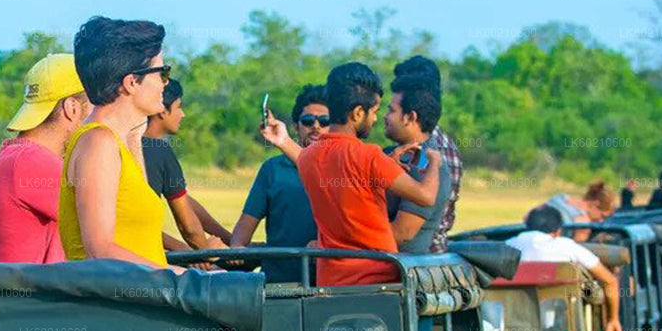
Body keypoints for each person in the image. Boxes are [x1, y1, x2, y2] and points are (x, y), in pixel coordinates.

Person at [261, 61, 441, 285]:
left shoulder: (309, 158)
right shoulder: (369, 156)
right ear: (357, 113)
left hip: (330, 281)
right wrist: (434, 161)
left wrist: (387, 166)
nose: (375, 119)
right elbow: (426, 196)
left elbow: (345, 178)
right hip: (377, 283)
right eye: (374, 111)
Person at [59, 16, 170, 267]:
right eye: (162, 72)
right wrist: (188, 280)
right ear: (131, 82)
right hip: (114, 304)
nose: (166, 82)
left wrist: (135, 133)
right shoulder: (98, 143)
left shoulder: (114, 140)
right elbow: (101, 250)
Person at [0, 53, 89, 263]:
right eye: (95, 107)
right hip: (33, 296)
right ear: (71, 108)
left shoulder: (12, 158)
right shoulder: (31, 163)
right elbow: (117, 225)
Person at [229, 85, 327, 283]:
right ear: (296, 127)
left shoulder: (342, 167)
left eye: (324, 121)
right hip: (279, 284)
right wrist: (236, 250)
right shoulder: (272, 169)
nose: (316, 126)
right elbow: (244, 228)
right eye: (308, 121)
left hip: (329, 282)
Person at [506, 205, 624, 331]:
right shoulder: (566, 247)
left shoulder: (508, 246)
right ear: (557, 231)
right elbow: (610, 281)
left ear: (527, 225)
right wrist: (613, 320)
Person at [142, 77, 233, 251]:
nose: (182, 114)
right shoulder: (159, 150)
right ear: (162, 110)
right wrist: (202, 253)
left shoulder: (124, 142)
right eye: (179, 107)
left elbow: (184, 201)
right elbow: (189, 228)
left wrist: (230, 239)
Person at [393, 56, 463, 251]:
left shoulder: (425, 154)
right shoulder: (445, 144)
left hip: (419, 257)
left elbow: (404, 232)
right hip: (434, 251)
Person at [383, 75, 451, 255]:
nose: (385, 116)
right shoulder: (396, 155)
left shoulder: (427, 166)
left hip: (399, 276)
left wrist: (341, 238)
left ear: (409, 117)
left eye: (391, 110)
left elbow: (400, 234)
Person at [544, 181, 615, 241]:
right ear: (595, 204)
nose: (601, 221)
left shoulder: (561, 197)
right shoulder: (583, 224)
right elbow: (577, 251)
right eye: (602, 216)